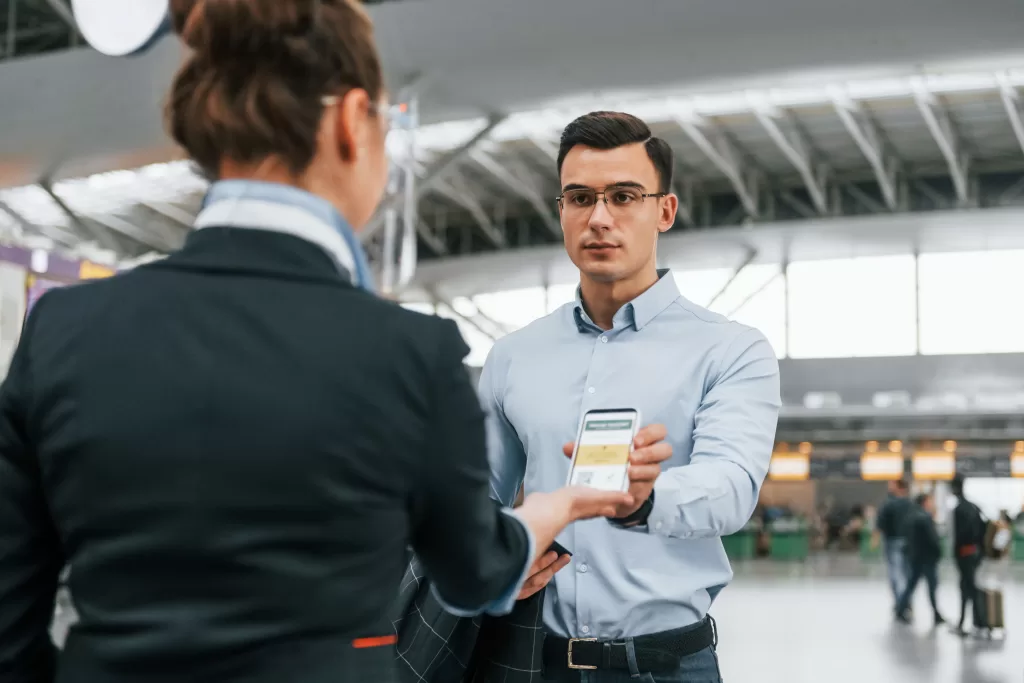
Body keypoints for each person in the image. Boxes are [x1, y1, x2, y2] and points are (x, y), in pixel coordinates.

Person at [0, 3, 643, 683]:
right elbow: (475, 574)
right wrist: (558, 505)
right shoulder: (410, 354)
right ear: (350, 120)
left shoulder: (63, 330)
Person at [480, 111, 782, 682]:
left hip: (667, 666)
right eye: (580, 198)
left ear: (663, 211)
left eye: (623, 196)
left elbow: (732, 486)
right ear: (561, 211)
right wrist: (493, 553)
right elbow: (476, 495)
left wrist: (645, 497)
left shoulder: (731, 350)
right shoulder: (513, 357)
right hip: (530, 661)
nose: (599, 218)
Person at [895, 493, 946, 626]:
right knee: (932, 587)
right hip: (927, 558)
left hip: (914, 558)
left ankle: (900, 609)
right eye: (930, 501)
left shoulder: (909, 516)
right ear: (924, 502)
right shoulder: (925, 517)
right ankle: (936, 613)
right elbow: (932, 539)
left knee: (911, 585)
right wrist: (938, 552)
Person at [950, 474, 986, 637]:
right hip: (975, 552)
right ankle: (967, 621)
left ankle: (979, 622)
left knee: (967, 587)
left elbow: (959, 535)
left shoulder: (959, 509)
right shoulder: (974, 507)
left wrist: (955, 554)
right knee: (968, 586)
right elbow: (983, 530)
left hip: (964, 553)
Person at [873, 479, 913, 612]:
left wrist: (875, 539)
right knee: (907, 573)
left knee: (895, 573)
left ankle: (899, 602)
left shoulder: (888, 504)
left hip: (892, 542)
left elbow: (880, 523)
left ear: (899, 487)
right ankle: (906, 600)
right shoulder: (910, 505)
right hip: (908, 542)